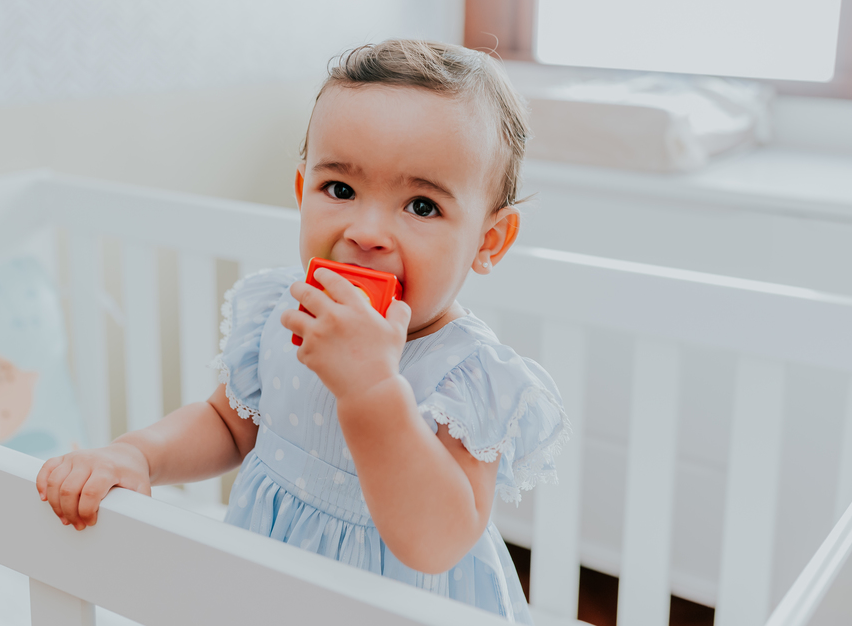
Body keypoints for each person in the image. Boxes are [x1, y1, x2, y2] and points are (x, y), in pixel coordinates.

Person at [36, 39, 570, 622]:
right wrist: (137, 455)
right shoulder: (282, 312)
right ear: (301, 193)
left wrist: (371, 390)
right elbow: (228, 424)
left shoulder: (468, 376)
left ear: (489, 241)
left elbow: (436, 543)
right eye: (340, 190)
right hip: (270, 584)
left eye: (421, 206)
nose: (367, 231)